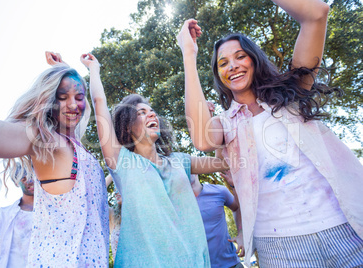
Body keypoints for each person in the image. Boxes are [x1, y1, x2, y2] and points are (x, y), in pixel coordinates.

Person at [177, 0, 363, 267]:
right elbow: (202, 139)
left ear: (254, 59)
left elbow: (317, 15)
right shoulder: (226, 124)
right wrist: (188, 53)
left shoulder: (292, 92)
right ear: (219, 75)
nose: (233, 66)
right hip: (279, 247)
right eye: (223, 63)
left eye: (240, 56)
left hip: (344, 230)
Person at [78, 52, 231, 267]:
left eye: (152, 112)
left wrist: (215, 124)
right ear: (127, 125)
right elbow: (99, 101)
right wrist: (94, 69)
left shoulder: (179, 162)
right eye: (142, 112)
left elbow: (224, 163)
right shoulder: (122, 163)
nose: (152, 115)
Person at [0, 50, 109, 267]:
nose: (74, 105)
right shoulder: (44, 140)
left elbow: (94, 101)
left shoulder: (76, 145)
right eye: (62, 97)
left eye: (79, 98)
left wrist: (88, 70)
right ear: (48, 101)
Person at [192, 173, 244, 268]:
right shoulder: (172, 200)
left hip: (231, 264)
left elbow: (237, 208)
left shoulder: (220, 191)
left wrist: (240, 233)